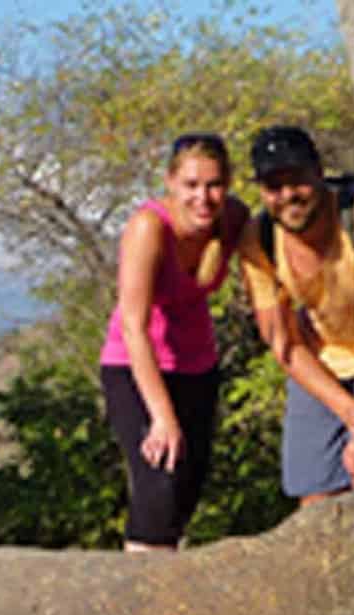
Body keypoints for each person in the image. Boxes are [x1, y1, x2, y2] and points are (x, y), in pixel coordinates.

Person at [239, 125, 354, 506]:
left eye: (297, 181)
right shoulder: (259, 240)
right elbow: (284, 343)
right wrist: (349, 411)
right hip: (325, 357)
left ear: (318, 173)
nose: (288, 195)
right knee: (314, 499)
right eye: (274, 186)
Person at [99, 132, 249, 551]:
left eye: (214, 184)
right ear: (169, 182)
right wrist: (162, 416)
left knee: (186, 490)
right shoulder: (149, 228)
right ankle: (137, 598)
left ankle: (169, 594)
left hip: (198, 366)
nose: (204, 196)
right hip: (136, 366)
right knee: (158, 482)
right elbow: (134, 326)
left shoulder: (233, 219)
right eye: (191, 185)